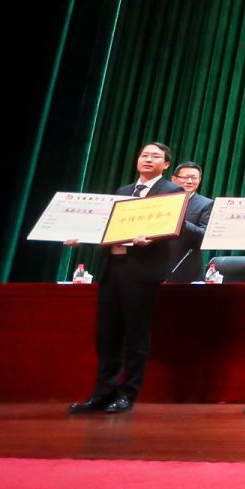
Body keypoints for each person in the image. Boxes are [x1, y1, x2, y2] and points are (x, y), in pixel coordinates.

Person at [66, 141, 185, 415]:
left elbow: (172, 228)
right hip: (112, 268)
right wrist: (81, 236)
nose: (148, 159)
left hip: (141, 270)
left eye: (155, 156)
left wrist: (152, 237)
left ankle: (127, 394)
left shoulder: (171, 191)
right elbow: (107, 227)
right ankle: (102, 393)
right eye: (144, 155)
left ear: (166, 165)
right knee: (107, 334)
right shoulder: (122, 191)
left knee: (136, 335)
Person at [167, 160, 215, 284]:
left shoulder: (206, 204)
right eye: (185, 177)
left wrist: (183, 223)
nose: (189, 181)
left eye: (194, 178)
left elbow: (205, 234)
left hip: (185, 265)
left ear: (200, 180)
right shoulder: (162, 200)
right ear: (173, 179)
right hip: (156, 263)